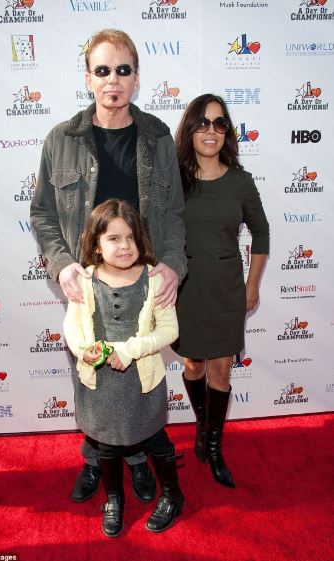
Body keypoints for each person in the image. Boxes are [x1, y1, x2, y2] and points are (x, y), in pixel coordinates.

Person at [30, 29, 186, 503]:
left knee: (138, 373)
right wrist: (61, 266)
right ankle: (97, 457)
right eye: (103, 70)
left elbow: (176, 214)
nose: (113, 79)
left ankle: (137, 459)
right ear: (88, 78)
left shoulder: (158, 137)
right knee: (92, 374)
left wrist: (175, 266)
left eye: (122, 69)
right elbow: (42, 213)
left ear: (136, 78)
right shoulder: (62, 139)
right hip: (86, 283)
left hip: (144, 281)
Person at [63, 199, 184, 537]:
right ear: (96, 245)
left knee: (157, 440)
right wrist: (85, 350)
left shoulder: (155, 279)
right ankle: (113, 498)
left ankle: (174, 495)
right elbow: (72, 328)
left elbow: (170, 331)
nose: (125, 245)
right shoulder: (84, 282)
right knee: (106, 445)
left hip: (142, 379)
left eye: (130, 237)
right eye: (114, 238)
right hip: (99, 383)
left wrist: (131, 349)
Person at [173, 94, 269, 489]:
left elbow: (261, 233)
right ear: (190, 129)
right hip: (186, 289)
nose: (210, 131)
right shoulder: (175, 181)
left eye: (219, 124)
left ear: (226, 131)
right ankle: (202, 425)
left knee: (222, 368)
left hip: (228, 288)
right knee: (194, 364)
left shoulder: (241, 182)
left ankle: (213, 446)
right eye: (202, 123)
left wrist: (252, 286)